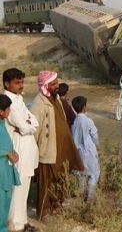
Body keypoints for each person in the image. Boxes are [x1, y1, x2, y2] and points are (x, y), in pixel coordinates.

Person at [30, 71, 84, 220]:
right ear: (45, 86)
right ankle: (43, 214)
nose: (57, 86)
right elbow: (34, 129)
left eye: (57, 83)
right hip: (48, 150)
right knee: (46, 182)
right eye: (53, 84)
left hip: (62, 148)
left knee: (61, 178)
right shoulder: (39, 103)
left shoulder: (57, 99)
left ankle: (57, 206)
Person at [2, 68, 39, 232]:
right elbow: (24, 126)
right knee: (17, 189)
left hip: (27, 148)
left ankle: (22, 222)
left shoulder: (19, 100)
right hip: (18, 149)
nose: (21, 86)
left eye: (22, 82)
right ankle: (15, 225)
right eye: (17, 83)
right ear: (6, 83)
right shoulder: (6, 102)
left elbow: (34, 122)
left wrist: (29, 124)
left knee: (24, 187)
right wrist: (28, 125)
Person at [71, 96, 100, 199]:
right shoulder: (88, 121)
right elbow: (94, 135)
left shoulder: (74, 122)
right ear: (84, 108)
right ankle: (90, 197)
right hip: (89, 151)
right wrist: (97, 145)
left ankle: (80, 195)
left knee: (81, 175)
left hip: (78, 152)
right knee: (94, 174)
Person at [0, 95, 20, 232]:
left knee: (5, 202)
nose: (10, 111)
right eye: (8, 109)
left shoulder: (2, 125)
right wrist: (7, 153)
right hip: (1, 173)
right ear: (1, 111)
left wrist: (12, 152)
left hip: (5, 171)